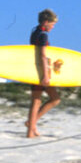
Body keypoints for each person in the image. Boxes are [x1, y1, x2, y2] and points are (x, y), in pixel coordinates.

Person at [26, 8, 62, 138]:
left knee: (36, 101)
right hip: (42, 71)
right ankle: (31, 124)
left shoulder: (34, 31)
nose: (53, 27)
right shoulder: (43, 35)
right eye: (52, 24)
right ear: (46, 22)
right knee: (55, 99)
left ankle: (31, 130)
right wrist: (46, 75)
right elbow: (42, 55)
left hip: (34, 69)